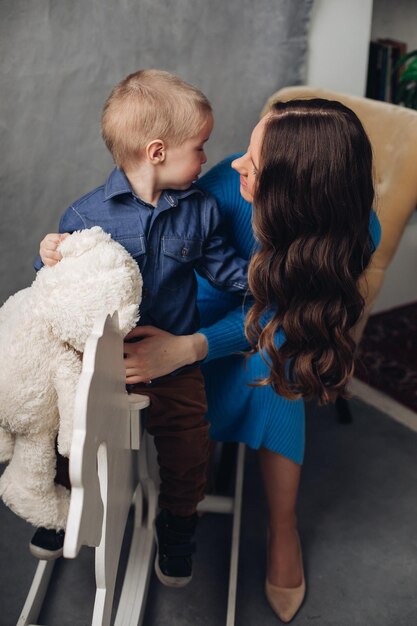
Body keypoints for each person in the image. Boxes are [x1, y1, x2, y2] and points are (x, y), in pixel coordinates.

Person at [111, 98, 381, 623]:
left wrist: (192, 348)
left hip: (272, 329)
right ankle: (195, 451)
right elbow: (147, 231)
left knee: (277, 366)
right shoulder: (223, 183)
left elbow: (291, 316)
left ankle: (284, 527)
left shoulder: (354, 232)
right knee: (194, 374)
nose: (237, 162)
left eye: (252, 163)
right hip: (194, 308)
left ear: (295, 192)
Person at [35, 68, 249, 588]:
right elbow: (56, 291)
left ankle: (178, 523)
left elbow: (227, 271)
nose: (205, 159)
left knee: (187, 441)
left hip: (171, 356)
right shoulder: (88, 213)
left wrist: (270, 277)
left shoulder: (199, 211)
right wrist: (48, 259)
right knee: (71, 423)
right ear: (157, 152)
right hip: (104, 359)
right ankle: (59, 501)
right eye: (199, 147)